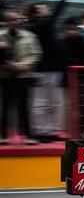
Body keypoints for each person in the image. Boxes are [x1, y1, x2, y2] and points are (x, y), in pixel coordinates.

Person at [26, 0, 74, 143]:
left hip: (54, 69)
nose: (46, 9)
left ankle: (50, 130)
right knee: (41, 102)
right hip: (42, 69)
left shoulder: (46, 25)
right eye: (42, 7)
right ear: (35, 13)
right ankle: (39, 131)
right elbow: (56, 13)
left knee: (53, 102)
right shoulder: (37, 25)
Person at [0, 10, 43, 145]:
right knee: (5, 107)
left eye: (16, 20)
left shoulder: (30, 36)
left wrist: (22, 65)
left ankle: (27, 135)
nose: (13, 22)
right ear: (6, 22)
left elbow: (36, 54)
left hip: (23, 76)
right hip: (4, 75)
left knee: (24, 107)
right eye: (10, 20)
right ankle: (3, 136)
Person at [62, 16, 84, 133]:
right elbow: (62, 59)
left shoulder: (82, 41)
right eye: (70, 29)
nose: (73, 32)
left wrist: (75, 62)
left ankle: (82, 128)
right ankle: (73, 130)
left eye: (75, 29)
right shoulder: (62, 42)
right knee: (72, 106)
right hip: (69, 78)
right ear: (65, 30)